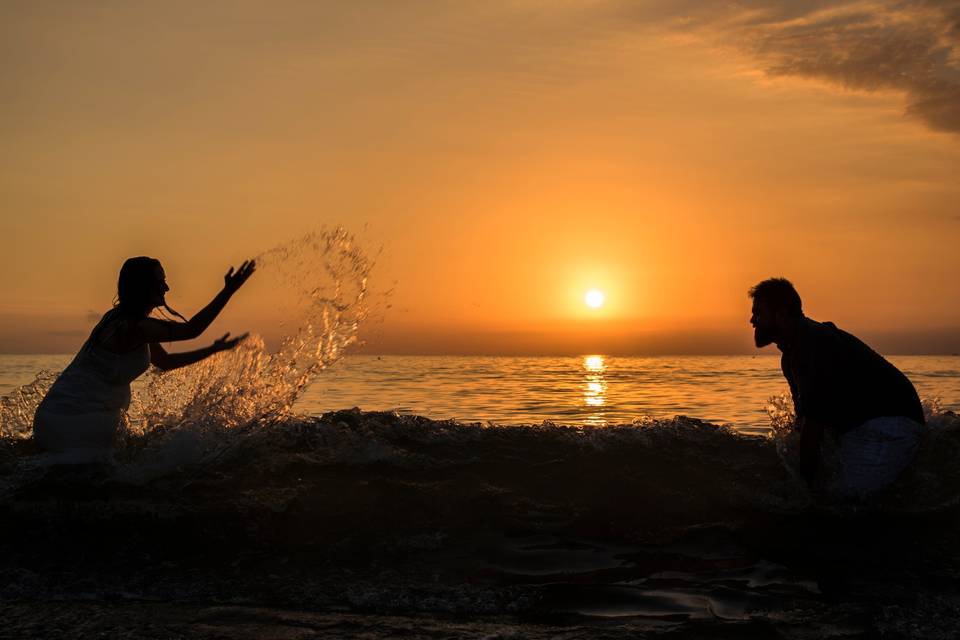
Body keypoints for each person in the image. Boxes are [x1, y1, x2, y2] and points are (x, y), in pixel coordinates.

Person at [33, 257, 256, 463]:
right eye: (160, 283)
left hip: (52, 418)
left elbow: (164, 362)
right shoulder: (134, 327)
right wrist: (228, 291)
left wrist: (212, 350)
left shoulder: (123, 321)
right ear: (143, 288)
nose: (167, 288)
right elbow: (192, 330)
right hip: (74, 420)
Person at [748, 277, 925, 500]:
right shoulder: (792, 354)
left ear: (781, 315)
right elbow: (803, 423)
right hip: (862, 423)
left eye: (758, 313)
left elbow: (813, 425)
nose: (752, 320)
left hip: (891, 421)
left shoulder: (810, 343)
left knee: (842, 502)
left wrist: (804, 492)